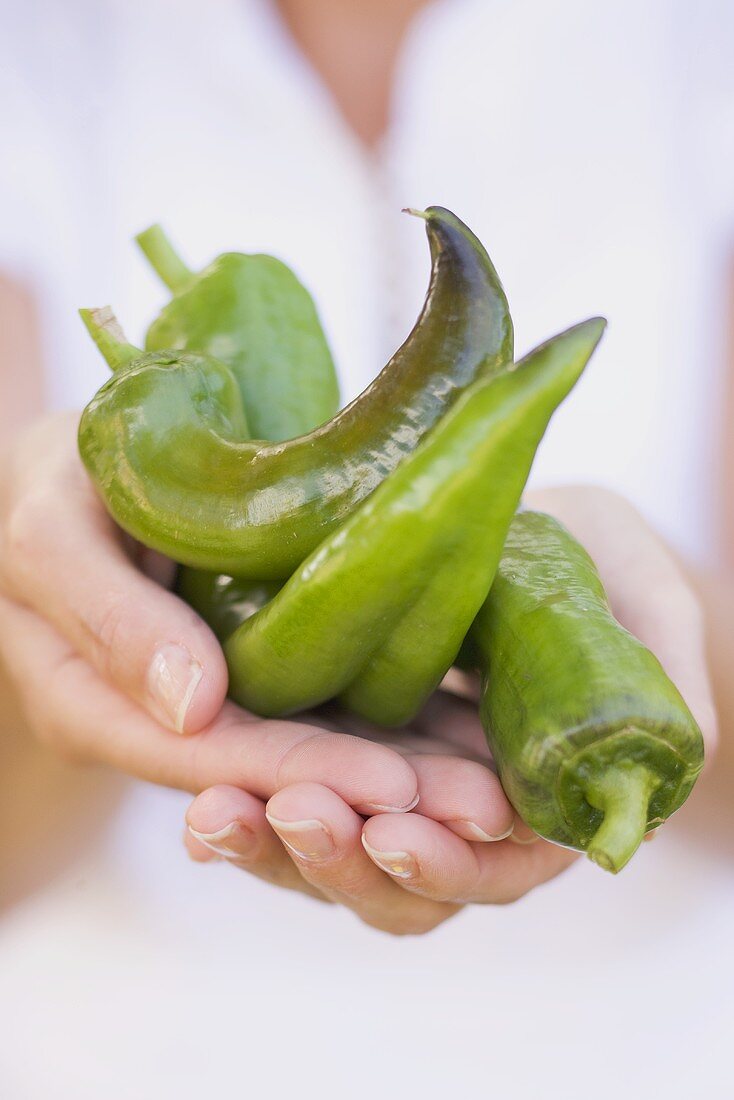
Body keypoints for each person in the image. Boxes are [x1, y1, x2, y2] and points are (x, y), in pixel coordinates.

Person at [0, 0, 732, 1094]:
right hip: (128, 1054)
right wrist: (38, 641)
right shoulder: (36, 49)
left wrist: (667, 649)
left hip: (641, 1056)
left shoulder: (696, 44)